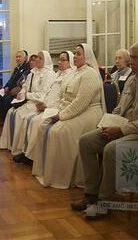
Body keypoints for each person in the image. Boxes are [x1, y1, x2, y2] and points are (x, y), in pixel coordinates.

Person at [71, 42, 138, 218]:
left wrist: (121, 130)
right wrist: (108, 123)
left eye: (134, 57)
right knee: (86, 141)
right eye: (130, 57)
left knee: (112, 149)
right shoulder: (133, 79)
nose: (130, 61)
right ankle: (91, 194)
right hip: (124, 128)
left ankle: (105, 201)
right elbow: (119, 108)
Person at [30, 44, 105, 189]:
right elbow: (65, 97)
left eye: (78, 54)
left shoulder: (89, 74)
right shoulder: (75, 73)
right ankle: (45, 171)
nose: (75, 56)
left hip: (88, 113)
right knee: (43, 126)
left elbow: (81, 103)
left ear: (87, 56)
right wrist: (57, 111)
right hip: (71, 110)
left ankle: (62, 177)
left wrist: (60, 116)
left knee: (59, 132)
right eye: (75, 54)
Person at [18, 51, 76, 164]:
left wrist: (47, 106)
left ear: (71, 62)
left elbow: (63, 99)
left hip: (56, 109)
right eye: (59, 59)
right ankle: (26, 152)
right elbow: (48, 93)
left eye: (63, 60)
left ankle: (33, 157)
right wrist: (42, 103)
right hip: (47, 106)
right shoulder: (59, 74)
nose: (59, 62)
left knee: (35, 122)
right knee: (28, 118)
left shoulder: (70, 76)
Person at [0, 51, 58, 155]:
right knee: (11, 112)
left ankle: (20, 148)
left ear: (46, 60)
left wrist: (27, 96)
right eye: (37, 58)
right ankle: (10, 144)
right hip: (28, 101)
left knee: (20, 116)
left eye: (40, 58)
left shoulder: (49, 74)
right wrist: (21, 95)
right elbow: (25, 87)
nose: (37, 60)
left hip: (37, 103)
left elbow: (43, 94)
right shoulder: (32, 72)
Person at [0, 50, 31, 126]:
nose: (17, 59)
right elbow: (11, 80)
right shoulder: (17, 68)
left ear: (25, 58)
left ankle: (6, 120)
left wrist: (9, 88)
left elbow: (20, 83)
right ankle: (0, 118)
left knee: (7, 99)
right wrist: (6, 87)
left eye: (19, 57)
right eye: (16, 57)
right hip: (10, 88)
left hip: (17, 90)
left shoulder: (27, 69)